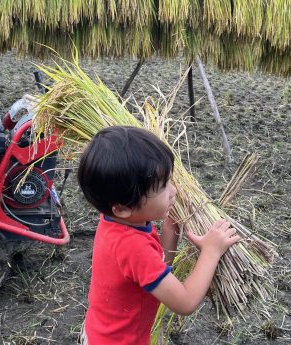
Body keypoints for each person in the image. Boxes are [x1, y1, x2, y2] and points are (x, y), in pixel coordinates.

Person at [77, 126, 241, 345]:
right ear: (123, 207)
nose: (173, 190)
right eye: (163, 187)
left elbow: (154, 267)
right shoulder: (132, 246)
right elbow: (185, 302)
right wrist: (211, 252)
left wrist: (170, 228)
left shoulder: (119, 221)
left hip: (99, 334)